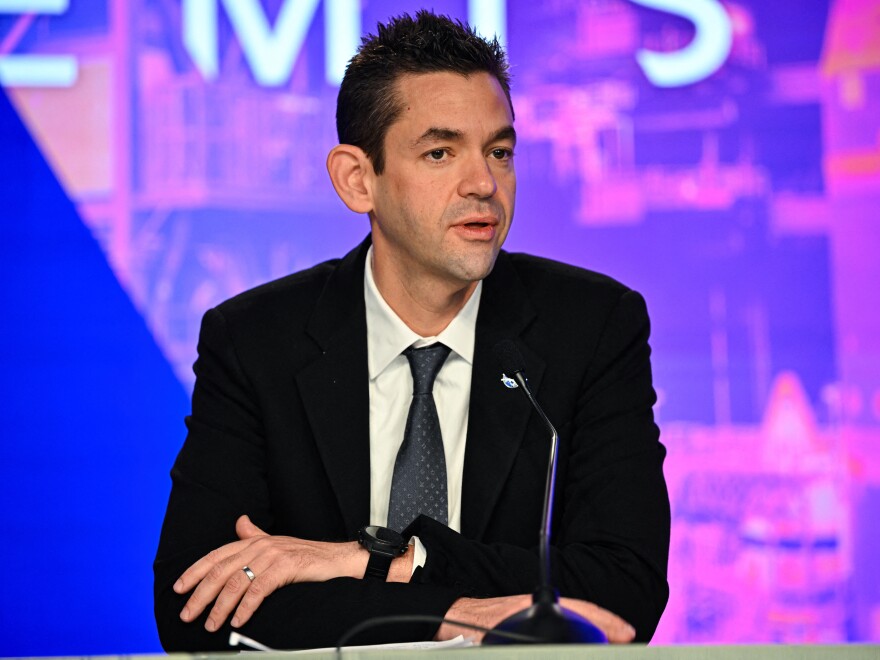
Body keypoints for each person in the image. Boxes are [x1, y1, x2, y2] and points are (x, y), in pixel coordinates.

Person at [154, 10, 670, 651]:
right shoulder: (255, 341)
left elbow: (623, 593)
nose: (484, 184)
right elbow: (196, 604)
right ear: (357, 180)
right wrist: (460, 618)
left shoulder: (592, 327)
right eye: (439, 153)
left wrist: (377, 561)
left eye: (499, 152)